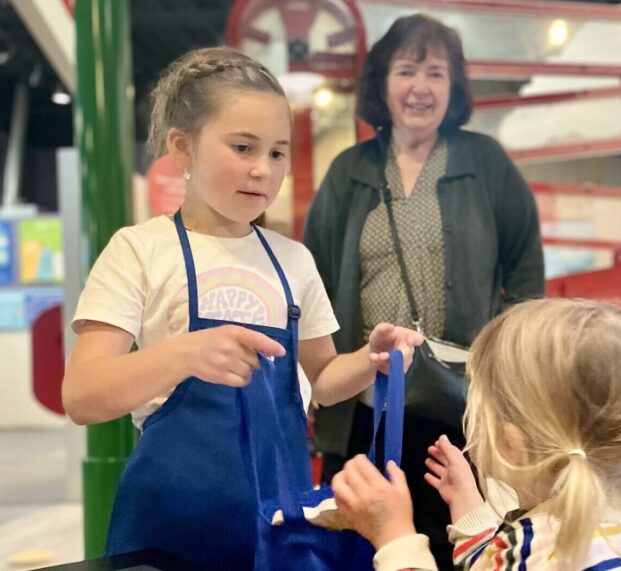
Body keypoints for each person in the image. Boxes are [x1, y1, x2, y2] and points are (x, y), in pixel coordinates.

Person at [61, 47, 423, 571]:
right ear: (182, 148)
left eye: (278, 153)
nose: (262, 169)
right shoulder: (139, 250)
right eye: (242, 147)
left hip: (279, 524)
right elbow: (82, 396)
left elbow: (320, 379)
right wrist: (184, 354)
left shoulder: (293, 260)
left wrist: (371, 360)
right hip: (170, 524)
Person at [303, 14, 544, 568]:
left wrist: (502, 364)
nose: (420, 87)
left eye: (435, 73)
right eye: (406, 70)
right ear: (382, 83)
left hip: (461, 403)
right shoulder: (348, 171)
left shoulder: (485, 164)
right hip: (366, 400)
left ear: (454, 87)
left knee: (459, 534)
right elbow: (311, 283)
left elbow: (526, 274)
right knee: (359, 538)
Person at [332, 298, 621, 570]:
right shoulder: (614, 526)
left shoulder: (532, 550)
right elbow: (498, 560)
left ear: (511, 444)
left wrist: (395, 536)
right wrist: (470, 508)